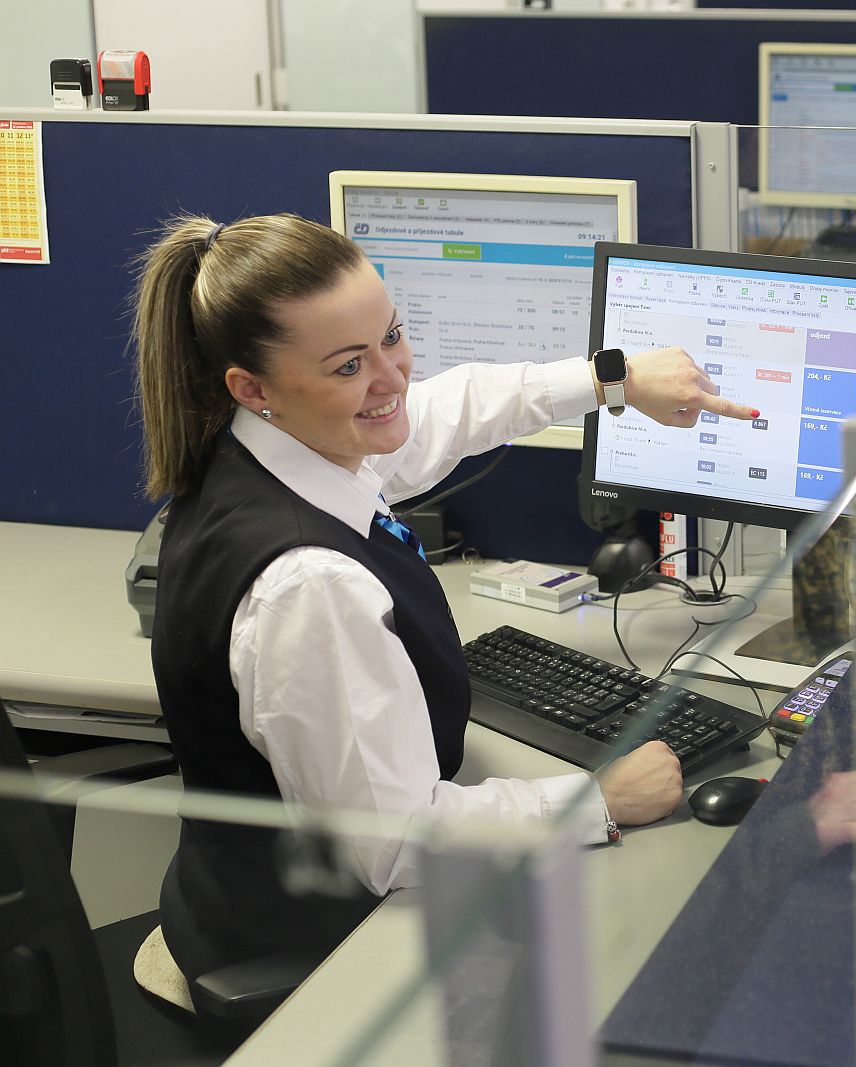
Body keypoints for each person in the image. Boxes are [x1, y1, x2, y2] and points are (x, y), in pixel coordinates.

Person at [134, 213, 757, 988]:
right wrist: (595, 800)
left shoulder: (272, 447)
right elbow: (392, 845)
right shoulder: (310, 585)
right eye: (347, 365)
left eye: (392, 336)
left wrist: (613, 378)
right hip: (313, 947)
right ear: (253, 386)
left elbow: (446, 409)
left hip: (236, 890)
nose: (392, 379)